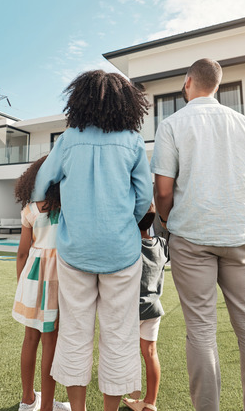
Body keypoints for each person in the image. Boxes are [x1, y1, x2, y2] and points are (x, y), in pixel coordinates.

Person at [150, 58, 245, 411]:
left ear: (188, 82)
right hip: (242, 238)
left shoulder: (172, 124)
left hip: (191, 238)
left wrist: (166, 221)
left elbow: (162, 190)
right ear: (217, 86)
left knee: (202, 331)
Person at [30, 70, 153, 411]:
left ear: (79, 100)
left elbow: (41, 184)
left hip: (76, 250)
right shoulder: (132, 140)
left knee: (74, 334)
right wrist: (124, 220)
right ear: (126, 103)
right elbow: (144, 196)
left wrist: (52, 198)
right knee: (119, 335)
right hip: (122, 252)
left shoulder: (69, 138)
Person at [12, 156, 71, 411]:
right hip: (58, 278)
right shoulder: (68, 208)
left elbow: (22, 253)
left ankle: (28, 400)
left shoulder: (30, 209)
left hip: (32, 277)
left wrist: (21, 284)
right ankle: (47, 405)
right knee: (50, 342)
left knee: (29, 339)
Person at [123, 204, 167, 411]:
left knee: (122, 353)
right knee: (150, 353)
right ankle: (150, 402)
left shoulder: (128, 246)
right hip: (153, 308)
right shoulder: (161, 244)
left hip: (131, 310)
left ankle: (132, 393)